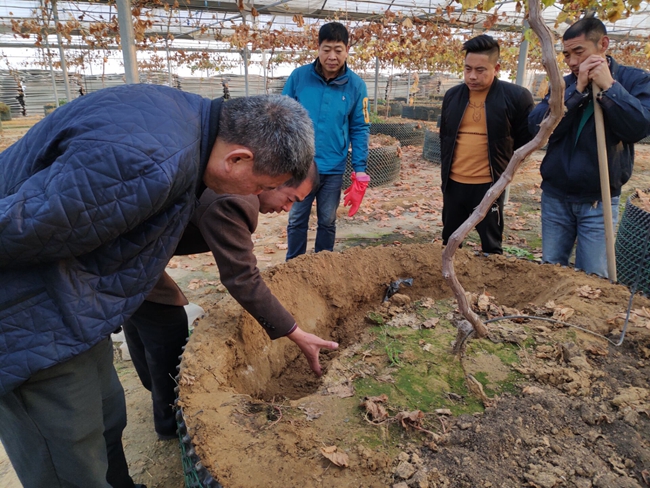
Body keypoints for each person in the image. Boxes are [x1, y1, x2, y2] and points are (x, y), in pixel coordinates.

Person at [0, 85, 316, 488]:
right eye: (260, 186)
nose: (258, 197)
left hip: (75, 305)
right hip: (31, 320)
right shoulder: (149, 161)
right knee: (69, 454)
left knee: (106, 416)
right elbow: (20, 225)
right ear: (238, 158)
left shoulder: (187, 123)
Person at [122, 163, 338, 441]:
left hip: (135, 248)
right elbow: (243, 278)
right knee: (166, 322)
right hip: (129, 253)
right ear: (276, 179)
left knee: (143, 309)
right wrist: (297, 334)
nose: (286, 209)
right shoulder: (235, 201)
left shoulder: (237, 185)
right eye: (290, 199)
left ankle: (155, 388)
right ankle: (170, 423)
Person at [529, 17, 650, 278]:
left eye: (579, 52)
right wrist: (577, 90)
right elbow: (538, 126)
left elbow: (639, 127)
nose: (572, 61)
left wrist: (610, 88)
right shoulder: (563, 85)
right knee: (550, 272)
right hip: (556, 197)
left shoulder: (634, 80)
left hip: (599, 200)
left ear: (603, 44)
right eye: (567, 55)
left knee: (593, 278)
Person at [282, 21, 371, 260]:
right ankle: (294, 265)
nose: (332, 56)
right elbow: (283, 117)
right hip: (301, 166)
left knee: (328, 220)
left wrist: (360, 170)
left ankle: (323, 265)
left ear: (347, 50)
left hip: (333, 167)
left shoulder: (356, 86)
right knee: (297, 218)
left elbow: (360, 127)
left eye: (338, 50)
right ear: (318, 48)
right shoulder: (299, 77)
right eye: (327, 49)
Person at [440, 34, 534, 255]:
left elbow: (526, 142)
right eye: (468, 69)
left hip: (489, 186)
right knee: (450, 242)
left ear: (496, 68)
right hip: (454, 184)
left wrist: (504, 175)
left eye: (480, 70)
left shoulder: (516, 97)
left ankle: (490, 275)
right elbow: (445, 136)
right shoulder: (452, 96)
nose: (472, 76)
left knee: (491, 245)